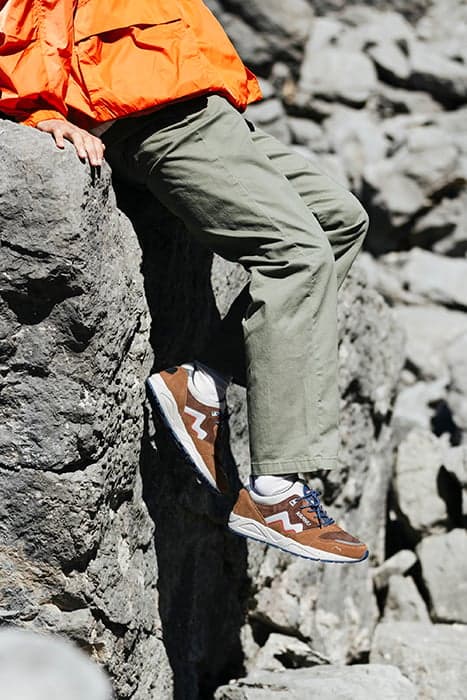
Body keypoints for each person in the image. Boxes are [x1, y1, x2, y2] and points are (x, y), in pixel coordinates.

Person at [0, 0, 369, 563]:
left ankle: (203, 380)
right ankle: (276, 493)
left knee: (340, 221)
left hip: (204, 107)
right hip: (156, 116)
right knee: (295, 254)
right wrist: (38, 109)